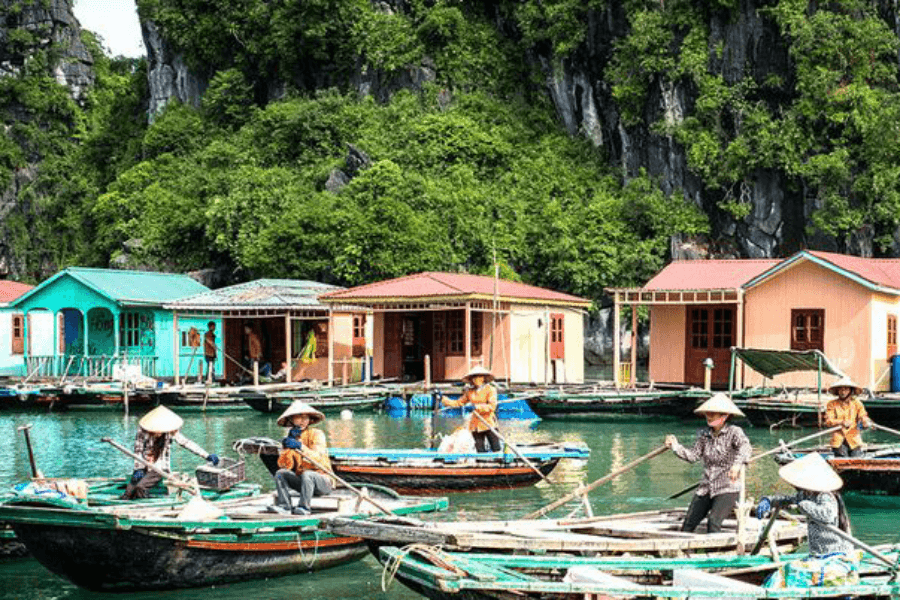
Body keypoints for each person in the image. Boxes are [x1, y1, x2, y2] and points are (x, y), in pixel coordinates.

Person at [756, 452, 857, 588]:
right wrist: (769, 500)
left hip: (835, 555)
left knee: (795, 575)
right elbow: (787, 500)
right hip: (817, 555)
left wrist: (803, 505)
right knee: (780, 575)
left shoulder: (825, 495)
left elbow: (827, 515)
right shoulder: (805, 494)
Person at [665, 393, 751, 534]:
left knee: (714, 521)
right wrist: (675, 446)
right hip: (706, 487)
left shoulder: (734, 432)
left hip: (727, 487)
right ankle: (685, 552)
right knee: (688, 524)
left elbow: (745, 448)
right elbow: (693, 456)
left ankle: (714, 553)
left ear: (724, 416)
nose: (709, 417)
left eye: (713, 414)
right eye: (707, 414)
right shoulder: (705, 435)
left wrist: (736, 465)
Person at [121, 405, 219, 499]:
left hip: (159, 469)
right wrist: (138, 469)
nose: (159, 432)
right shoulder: (142, 431)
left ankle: (145, 504)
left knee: (140, 487)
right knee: (129, 492)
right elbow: (138, 451)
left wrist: (206, 455)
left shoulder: (169, 431)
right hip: (144, 467)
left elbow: (186, 443)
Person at [270, 401, 333, 515]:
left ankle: (304, 507)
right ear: (292, 419)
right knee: (281, 473)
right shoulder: (292, 438)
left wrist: (301, 446)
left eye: (306, 418)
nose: (303, 421)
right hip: (304, 483)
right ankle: (285, 506)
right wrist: (287, 448)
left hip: (323, 482)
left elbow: (317, 459)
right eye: (299, 417)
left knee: (307, 474)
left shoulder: (317, 434)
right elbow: (285, 465)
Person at [440, 365, 500, 453]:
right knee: (479, 449)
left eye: (479, 377)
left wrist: (476, 407)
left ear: (483, 378)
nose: (476, 379)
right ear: (471, 379)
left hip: (488, 422)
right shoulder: (470, 392)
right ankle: (481, 464)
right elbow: (458, 403)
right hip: (475, 424)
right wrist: (443, 399)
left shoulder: (490, 390)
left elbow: (492, 407)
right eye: (474, 377)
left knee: (496, 448)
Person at [824, 377, 873, 457]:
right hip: (839, 441)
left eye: (846, 389)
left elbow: (862, 416)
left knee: (857, 459)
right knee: (842, 457)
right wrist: (841, 422)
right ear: (837, 391)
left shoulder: (857, 403)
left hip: (854, 439)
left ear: (850, 390)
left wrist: (865, 421)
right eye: (841, 389)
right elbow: (828, 421)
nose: (843, 392)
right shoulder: (832, 404)